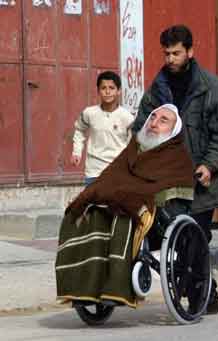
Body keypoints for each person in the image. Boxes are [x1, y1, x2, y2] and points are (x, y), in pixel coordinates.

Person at [132, 25, 218, 314]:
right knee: (179, 238)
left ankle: (199, 298)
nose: (170, 59)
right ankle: (207, 294)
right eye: (166, 53)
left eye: (176, 53)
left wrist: (209, 165)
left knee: (195, 239)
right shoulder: (158, 88)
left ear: (190, 52)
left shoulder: (211, 88)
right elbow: (142, 126)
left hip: (206, 181)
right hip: (171, 179)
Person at [58, 104, 196, 307]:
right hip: (126, 200)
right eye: (153, 118)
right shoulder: (135, 148)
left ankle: (117, 289)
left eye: (163, 121)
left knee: (124, 214)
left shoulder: (177, 155)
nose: (154, 123)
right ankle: (83, 288)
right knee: (85, 212)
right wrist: (86, 197)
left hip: (159, 212)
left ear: (174, 131)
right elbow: (111, 175)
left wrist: (128, 194)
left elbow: (164, 186)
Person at [71, 71, 134, 186]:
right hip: (94, 171)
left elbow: (132, 144)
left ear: (119, 91)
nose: (107, 92)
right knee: (93, 203)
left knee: (115, 204)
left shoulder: (127, 117)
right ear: (98, 91)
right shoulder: (89, 113)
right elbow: (79, 130)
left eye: (112, 88)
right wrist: (77, 152)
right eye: (103, 88)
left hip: (117, 171)